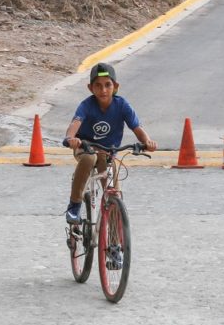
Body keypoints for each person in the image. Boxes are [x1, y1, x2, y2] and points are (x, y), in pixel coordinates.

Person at [62, 62, 157, 224]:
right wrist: (71, 138)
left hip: (107, 152)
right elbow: (75, 124)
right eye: (98, 86)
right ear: (90, 88)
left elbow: (137, 127)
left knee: (113, 193)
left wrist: (147, 141)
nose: (103, 90)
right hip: (85, 147)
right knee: (89, 158)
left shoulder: (122, 105)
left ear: (116, 86)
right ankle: (74, 205)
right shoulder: (86, 106)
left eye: (108, 85)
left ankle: (115, 240)